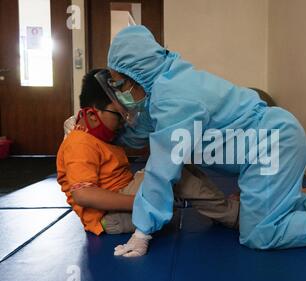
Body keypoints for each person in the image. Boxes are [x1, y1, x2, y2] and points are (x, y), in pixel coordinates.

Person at [106, 26, 306, 258]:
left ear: (136, 74)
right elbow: (145, 126)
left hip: (273, 144)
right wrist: (114, 126)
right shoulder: (166, 82)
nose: (120, 92)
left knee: (260, 234)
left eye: (120, 84)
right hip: (273, 141)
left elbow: (161, 167)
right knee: (272, 212)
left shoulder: (172, 97)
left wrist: (142, 230)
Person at [57, 69, 240, 252]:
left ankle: (220, 209)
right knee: (172, 170)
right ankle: (233, 215)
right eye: (118, 114)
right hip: (110, 218)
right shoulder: (79, 142)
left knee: (176, 164)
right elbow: (83, 194)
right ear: (91, 115)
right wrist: (141, 201)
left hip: (121, 204)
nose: (123, 121)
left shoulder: (97, 138)